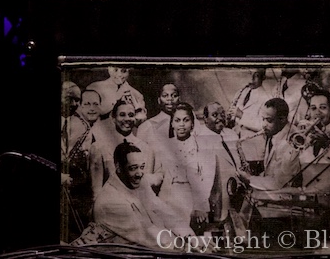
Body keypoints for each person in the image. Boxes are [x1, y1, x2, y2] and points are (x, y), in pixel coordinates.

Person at [88, 140, 192, 249]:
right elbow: (148, 235)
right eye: (133, 168)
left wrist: (189, 236)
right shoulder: (110, 202)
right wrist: (186, 247)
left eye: (142, 167)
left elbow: (163, 211)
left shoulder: (140, 182)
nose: (139, 174)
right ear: (118, 167)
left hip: (150, 246)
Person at [151, 102, 214, 235]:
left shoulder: (201, 146)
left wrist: (200, 207)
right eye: (177, 120)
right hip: (167, 196)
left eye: (186, 120)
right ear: (172, 123)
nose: (181, 124)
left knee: (188, 239)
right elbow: (160, 173)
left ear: (192, 123)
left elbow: (206, 180)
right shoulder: (164, 146)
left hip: (190, 199)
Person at [88, 99, 156, 201]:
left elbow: (146, 189)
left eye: (131, 115)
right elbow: (96, 192)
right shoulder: (99, 147)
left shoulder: (146, 149)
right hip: (110, 206)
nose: (127, 119)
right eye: (122, 115)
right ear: (113, 117)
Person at [61, 88, 101, 241]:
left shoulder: (94, 132)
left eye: (95, 104)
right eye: (87, 104)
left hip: (85, 196)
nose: (91, 108)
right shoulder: (74, 127)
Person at [196, 101, 241, 231]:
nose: (220, 118)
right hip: (216, 193)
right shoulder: (199, 138)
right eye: (214, 115)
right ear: (205, 119)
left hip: (235, 189)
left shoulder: (231, 134)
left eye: (222, 114)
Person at [244, 97, 301, 192]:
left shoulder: (291, 142)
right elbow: (270, 172)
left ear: (282, 119)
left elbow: (278, 183)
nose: (264, 125)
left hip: (284, 198)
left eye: (269, 120)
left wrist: (250, 179)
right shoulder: (275, 132)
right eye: (263, 119)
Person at [227, 69, 271, 173]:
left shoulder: (266, 97)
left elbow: (264, 125)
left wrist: (241, 115)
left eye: (256, 75)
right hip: (239, 145)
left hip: (254, 150)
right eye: (250, 73)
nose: (251, 78)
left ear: (263, 77)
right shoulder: (243, 91)